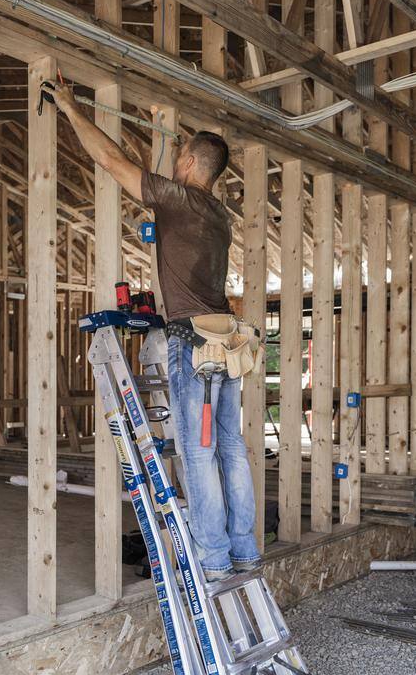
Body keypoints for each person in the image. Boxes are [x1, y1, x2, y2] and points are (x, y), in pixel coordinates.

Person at [48, 76, 260, 583]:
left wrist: (70, 107)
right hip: (226, 345)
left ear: (190, 163)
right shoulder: (219, 214)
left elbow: (110, 159)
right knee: (230, 447)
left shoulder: (178, 199)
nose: (175, 164)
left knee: (197, 453)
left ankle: (212, 558)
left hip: (193, 345)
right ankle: (244, 550)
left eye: (180, 157)